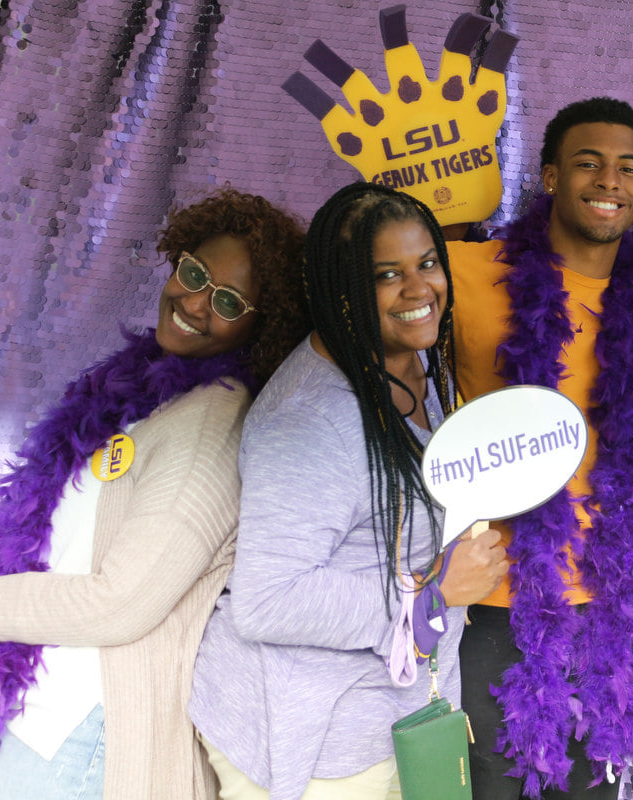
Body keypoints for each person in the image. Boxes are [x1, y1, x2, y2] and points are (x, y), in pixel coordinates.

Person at [0, 187, 311, 800]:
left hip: (89, 735)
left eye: (228, 301)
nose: (195, 302)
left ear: (262, 326)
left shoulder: (209, 430)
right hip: (43, 713)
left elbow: (121, 603)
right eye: (194, 273)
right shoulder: (138, 396)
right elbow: (59, 542)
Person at [188, 182, 509, 800]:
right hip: (315, 745)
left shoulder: (408, 360)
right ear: (340, 290)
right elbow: (269, 600)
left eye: (427, 263)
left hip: (386, 717)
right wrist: (434, 596)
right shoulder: (310, 422)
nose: (419, 290)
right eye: (387, 274)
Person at [448, 97, 633, 799]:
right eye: (588, 163)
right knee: (493, 786)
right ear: (548, 176)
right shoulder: (461, 271)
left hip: (606, 611)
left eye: (628, 168)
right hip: (492, 599)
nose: (610, 181)